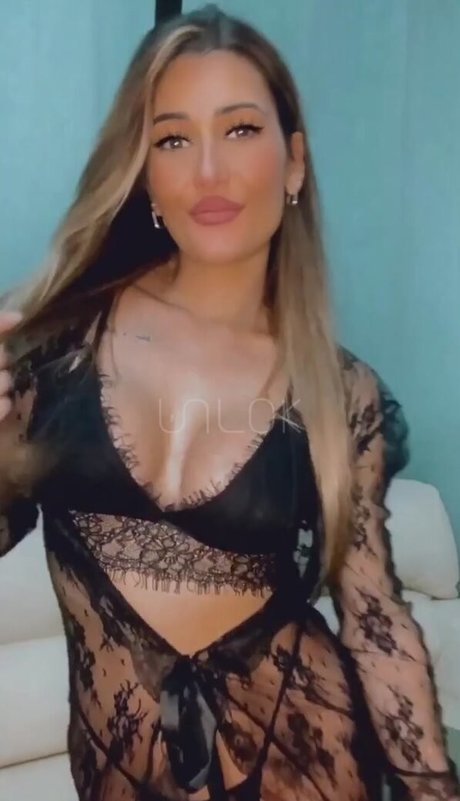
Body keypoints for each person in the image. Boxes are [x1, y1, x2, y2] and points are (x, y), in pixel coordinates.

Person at [0, 5, 457, 801]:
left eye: (240, 129)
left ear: (294, 162)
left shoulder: (337, 392)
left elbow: (375, 623)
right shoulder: (58, 342)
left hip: (307, 767)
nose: (208, 170)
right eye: (173, 139)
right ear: (145, 171)